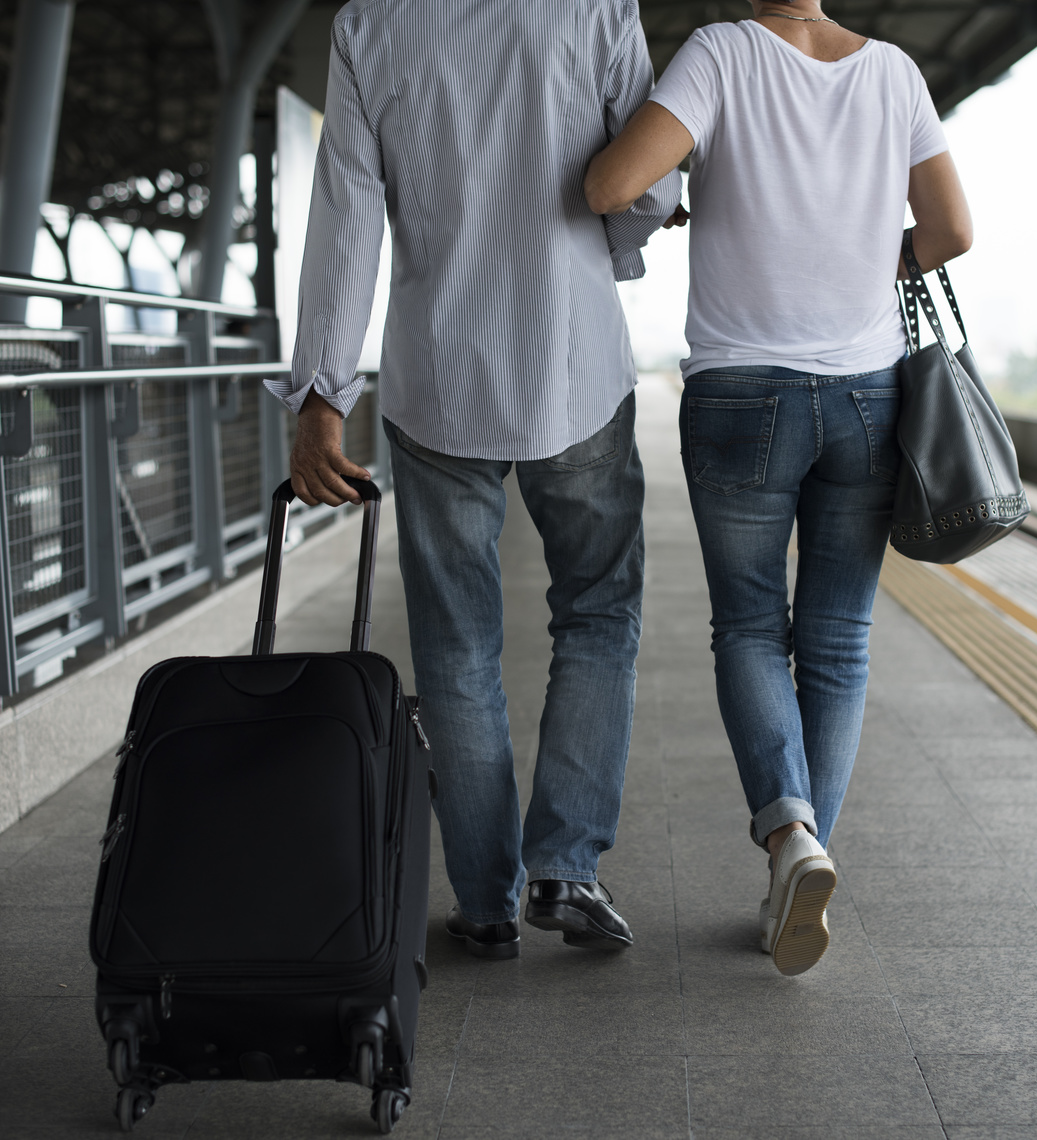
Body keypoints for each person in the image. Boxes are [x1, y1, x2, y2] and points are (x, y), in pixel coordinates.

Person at [271, 0, 681, 960]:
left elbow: (346, 216)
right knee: (596, 614)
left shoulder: (367, 24)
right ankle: (566, 867)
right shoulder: (593, 8)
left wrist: (321, 398)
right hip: (573, 364)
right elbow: (646, 177)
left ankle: (486, 903)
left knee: (456, 647)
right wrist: (621, 249)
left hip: (436, 382)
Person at [584, 0, 973, 975]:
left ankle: (789, 836)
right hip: (868, 397)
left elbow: (608, 184)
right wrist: (861, 259)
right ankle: (795, 867)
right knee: (836, 642)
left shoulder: (719, 53)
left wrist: (684, 190)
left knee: (750, 627)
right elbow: (952, 230)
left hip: (739, 393)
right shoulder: (889, 73)